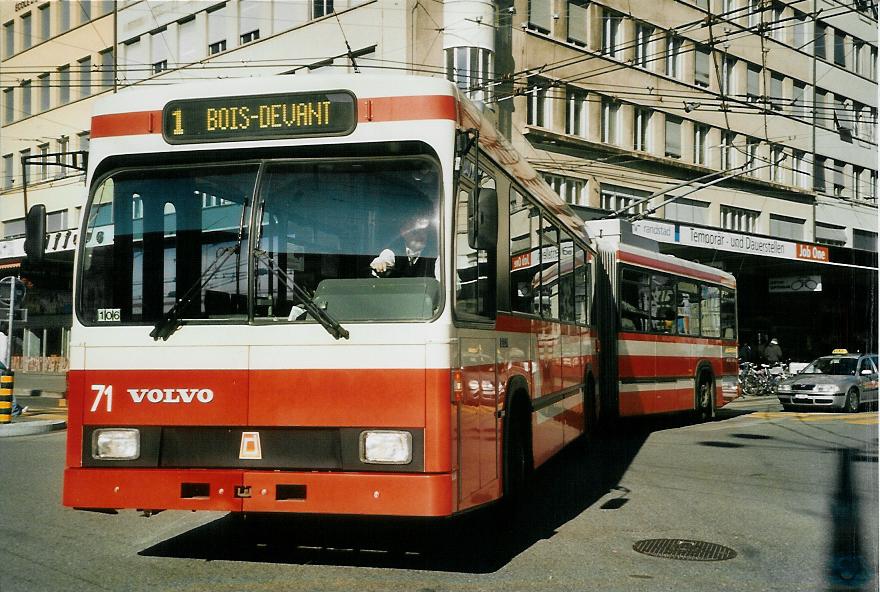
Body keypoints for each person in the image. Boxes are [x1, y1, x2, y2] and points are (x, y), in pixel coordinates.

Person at [370, 208, 438, 279]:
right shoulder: (392, 252)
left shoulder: (436, 256)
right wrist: (380, 264)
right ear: (403, 232)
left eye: (424, 231)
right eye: (415, 231)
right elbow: (384, 259)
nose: (420, 235)